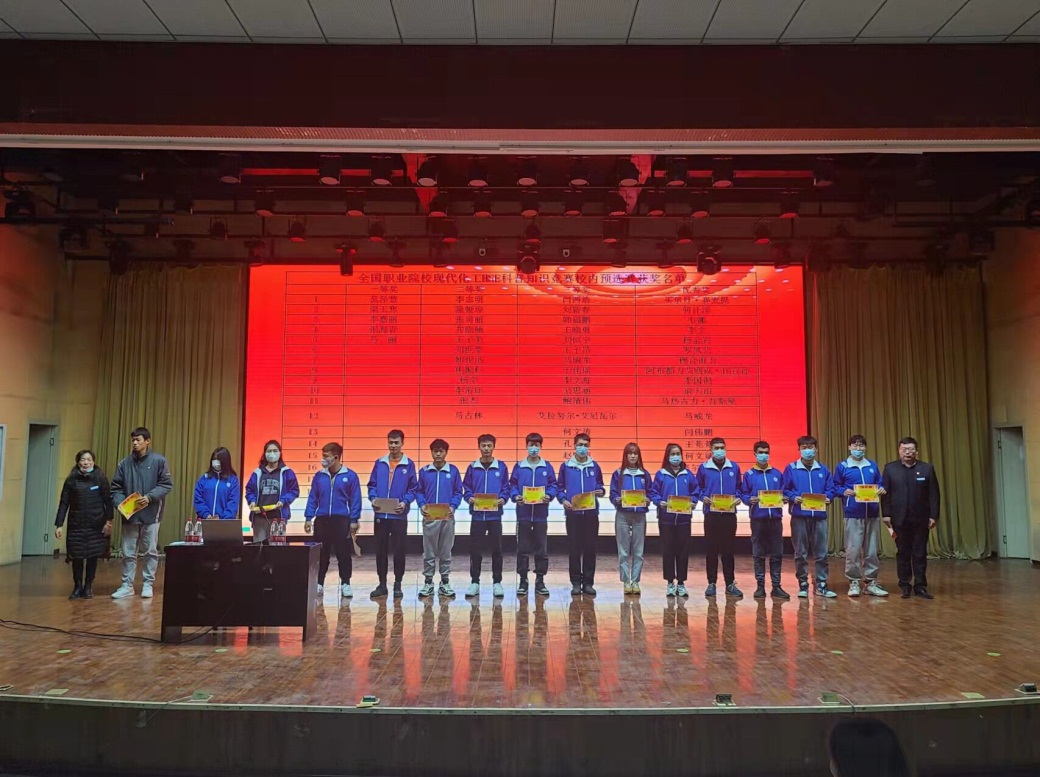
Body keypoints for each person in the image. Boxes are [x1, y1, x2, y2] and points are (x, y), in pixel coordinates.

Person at [110, 427, 173, 599]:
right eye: (133, 440)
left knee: (150, 551)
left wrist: (150, 497)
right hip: (130, 515)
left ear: (147, 441)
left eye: (138, 440)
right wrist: (121, 505)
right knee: (128, 552)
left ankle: (148, 584)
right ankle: (127, 585)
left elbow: (166, 485)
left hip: (151, 514)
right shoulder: (124, 463)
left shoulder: (159, 461)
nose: (135, 443)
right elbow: (115, 488)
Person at [881, 436, 940, 599]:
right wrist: (886, 514)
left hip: (921, 519)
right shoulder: (890, 468)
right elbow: (885, 494)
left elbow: (934, 494)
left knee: (920, 553)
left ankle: (920, 586)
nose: (908, 452)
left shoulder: (927, 468)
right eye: (904, 449)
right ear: (899, 451)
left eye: (911, 449)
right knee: (903, 552)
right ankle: (905, 585)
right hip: (899, 518)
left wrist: (934, 515)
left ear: (916, 451)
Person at [830, 435, 888, 598]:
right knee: (853, 550)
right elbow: (835, 486)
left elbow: (880, 483)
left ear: (865, 448)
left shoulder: (872, 465)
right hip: (853, 513)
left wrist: (881, 488)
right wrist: (844, 491)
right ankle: (854, 581)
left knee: (872, 550)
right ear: (849, 447)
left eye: (861, 446)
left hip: (872, 513)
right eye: (855, 446)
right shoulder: (843, 466)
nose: (858, 448)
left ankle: (871, 582)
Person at [304, 442, 362, 597]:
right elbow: (313, 497)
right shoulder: (319, 476)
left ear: (336, 457)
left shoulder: (350, 476)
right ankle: (319, 583)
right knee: (321, 554)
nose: (323, 459)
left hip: (341, 520)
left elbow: (355, 499)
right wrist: (308, 517)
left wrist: (354, 519)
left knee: (343, 554)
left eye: (326, 456)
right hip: (322, 520)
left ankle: (345, 584)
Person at [782, 435, 836, 599]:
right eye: (804, 448)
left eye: (810, 447)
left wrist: (829, 497)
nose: (808, 451)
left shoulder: (823, 470)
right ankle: (803, 584)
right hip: (799, 516)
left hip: (819, 517)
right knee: (801, 553)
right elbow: (785, 489)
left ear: (816, 449)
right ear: (799, 450)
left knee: (822, 553)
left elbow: (831, 489)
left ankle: (821, 584)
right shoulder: (791, 468)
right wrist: (793, 497)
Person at [54, 450, 112, 600]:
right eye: (83, 459)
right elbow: (64, 503)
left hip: (96, 524)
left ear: (93, 461)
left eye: (89, 459)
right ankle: (77, 586)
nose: (86, 462)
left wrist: (109, 521)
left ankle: (88, 586)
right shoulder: (71, 480)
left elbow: (108, 501)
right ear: (78, 462)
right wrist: (59, 524)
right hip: (76, 524)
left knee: (92, 556)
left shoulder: (100, 478)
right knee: (77, 556)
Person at [367, 429, 417, 599]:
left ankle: (397, 584)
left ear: (402, 443)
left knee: (399, 550)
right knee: (380, 551)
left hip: (399, 515)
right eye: (390, 442)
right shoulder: (379, 463)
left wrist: (405, 502)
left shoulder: (409, 464)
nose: (393, 446)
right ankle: (382, 584)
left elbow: (413, 488)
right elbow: (372, 485)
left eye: (396, 442)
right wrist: (373, 498)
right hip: (381, 516)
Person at [462, 433, 510, 599]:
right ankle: (475, 582)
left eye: (489, 446)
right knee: (475, 550)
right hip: (477, 516)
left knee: (497, 550)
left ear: (494, 447)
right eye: (483, 446)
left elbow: (506, 488)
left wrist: (503, 498)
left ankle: (497, 582)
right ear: (479, 447)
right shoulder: (472, 467)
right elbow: (466, 488)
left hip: (495, 516)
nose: (486, 449)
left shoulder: (501, 467)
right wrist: (469, 497)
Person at [557, 432, 605, 597]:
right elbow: (559, 488)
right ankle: (576, 583)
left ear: (589, 447)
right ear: (574, 446)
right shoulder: (566, 466)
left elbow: (600, 485)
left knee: (590, 548)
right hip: (573, 513)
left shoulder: (594, 466)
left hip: (591, 513)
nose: (582, 448)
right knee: (574, 549)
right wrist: (563, 500)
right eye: (580, 445)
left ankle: (588, 583)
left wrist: (601, 491)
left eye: (585, 445)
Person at [741, 440, 790, 600]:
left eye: (766, 452)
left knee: (777, 554)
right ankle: (760, 586)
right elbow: (743, 494)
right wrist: (749, 500)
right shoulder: (749, 475)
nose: (764, 455)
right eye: (761, 452)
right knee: (758, 554)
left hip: (775, 519)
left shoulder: (777, 473)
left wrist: (784, 498)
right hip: (758, 519)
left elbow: (784, 492)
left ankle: (776, 586)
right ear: (755, 454)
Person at [510, 432, 557, 597]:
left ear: (541, 447)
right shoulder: (519, 466)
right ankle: (523, 580)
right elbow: (512, 485)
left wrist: (549, 495)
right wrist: (515, 496)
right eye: (531, 445)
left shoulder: (547, 467)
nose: (534, 448)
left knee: (541, 548)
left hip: (540, 515)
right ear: (526, 446)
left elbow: (553, 485)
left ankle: (540, 580)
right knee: (522, 549)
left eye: (537, 445)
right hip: (523, 514)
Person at [696, 436, 743, 598]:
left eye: (722, 447)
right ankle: (711, 583)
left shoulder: (734, 467)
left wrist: (738, 497)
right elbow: (698, 488)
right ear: (710, 450)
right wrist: (702, 497)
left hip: (729, 515)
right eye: (716, 448)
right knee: (711, 550)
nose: (719, 451)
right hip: (711, 515)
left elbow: (739, 488)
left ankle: (730, 583)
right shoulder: (703, 468)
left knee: (728, 550)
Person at [416, 438, 463, 598]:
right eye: (435, 451)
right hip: (430, 517)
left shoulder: (453, 471)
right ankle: (428, 582)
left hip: (447, 517)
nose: (438, 454)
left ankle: (445, 582)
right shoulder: (424, 471)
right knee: (428, 552)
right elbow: (419, 491)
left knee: (445, 551)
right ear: (431, 452)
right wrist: (422, 505)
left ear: (446, 452)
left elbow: (458, 492)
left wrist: (453, 506)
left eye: (441, 451)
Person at [650, 442, 697, 598]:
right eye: (673, 454)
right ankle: (670, 583)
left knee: (683, 552)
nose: (676, 457)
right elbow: (653, 492)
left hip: (684, 520)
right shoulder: (661, 474)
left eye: (678, 454)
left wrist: (693, 502)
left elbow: (695, 492)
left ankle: (681, 583)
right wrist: (659, 502)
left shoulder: (688, 474)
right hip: (666, 520)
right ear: (667, 456)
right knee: (668, 551)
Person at [609, 442, 651, 595]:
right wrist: (617, 500)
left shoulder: (644, 474)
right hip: (623, 515)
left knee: (638, 552)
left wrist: (648, 499)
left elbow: (651, 492)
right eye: (630, 453)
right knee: (623, 551)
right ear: (625, 455)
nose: (633, 456)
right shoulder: (618, 473)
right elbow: (612, 493)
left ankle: (636, 581)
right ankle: (626, 581)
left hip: (639, 516)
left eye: (635, 453)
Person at [244, 440, 300, 543]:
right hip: (260, 518)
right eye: (269, 451)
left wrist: (283, 500)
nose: (272, 454)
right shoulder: (257, 473)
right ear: (264, 454)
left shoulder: (287, 472)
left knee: (277, 549)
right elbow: (249, 490)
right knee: (259, 549)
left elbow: (294, 491)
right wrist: (252, 501)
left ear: (280, 453)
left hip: (278, 518)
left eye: (275, 451)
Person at [192, 447, 240, 521]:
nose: (215, 462)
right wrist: (207, 515)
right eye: (214, 459)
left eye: (218, 460)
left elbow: (233, 503)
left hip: (224, 524)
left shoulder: (233, 480)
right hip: (204, 521)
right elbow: (198, 499)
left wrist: (221, 520)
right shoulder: (204, 479)